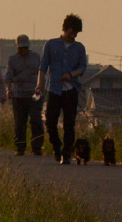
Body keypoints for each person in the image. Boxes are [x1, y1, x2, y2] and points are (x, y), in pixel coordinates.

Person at [37, 14, 87, 164]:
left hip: (71, 90)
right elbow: (43, 66)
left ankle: (66, 153)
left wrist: (71, 75)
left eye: (76, 33)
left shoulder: (79, 48)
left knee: (69, 124)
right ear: (66, 29)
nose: (74, 35)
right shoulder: (51, 45)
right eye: (72, 32)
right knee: (50, 122)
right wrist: (39, 84)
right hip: (54, 89)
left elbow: (82, 68)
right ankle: (56, 145)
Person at [5, 34, 44, 156]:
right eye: (20, 48)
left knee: (36, 120)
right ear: (17, 47)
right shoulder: (12, 60)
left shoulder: (36, 57)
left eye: (25, 48)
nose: (23, 50)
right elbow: (8, 77)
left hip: (34, 94)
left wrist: (41, 87)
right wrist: (8, 89)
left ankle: (37, 147)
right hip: (19, 94)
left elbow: (42, 73)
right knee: (20, 122)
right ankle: (20, 147)